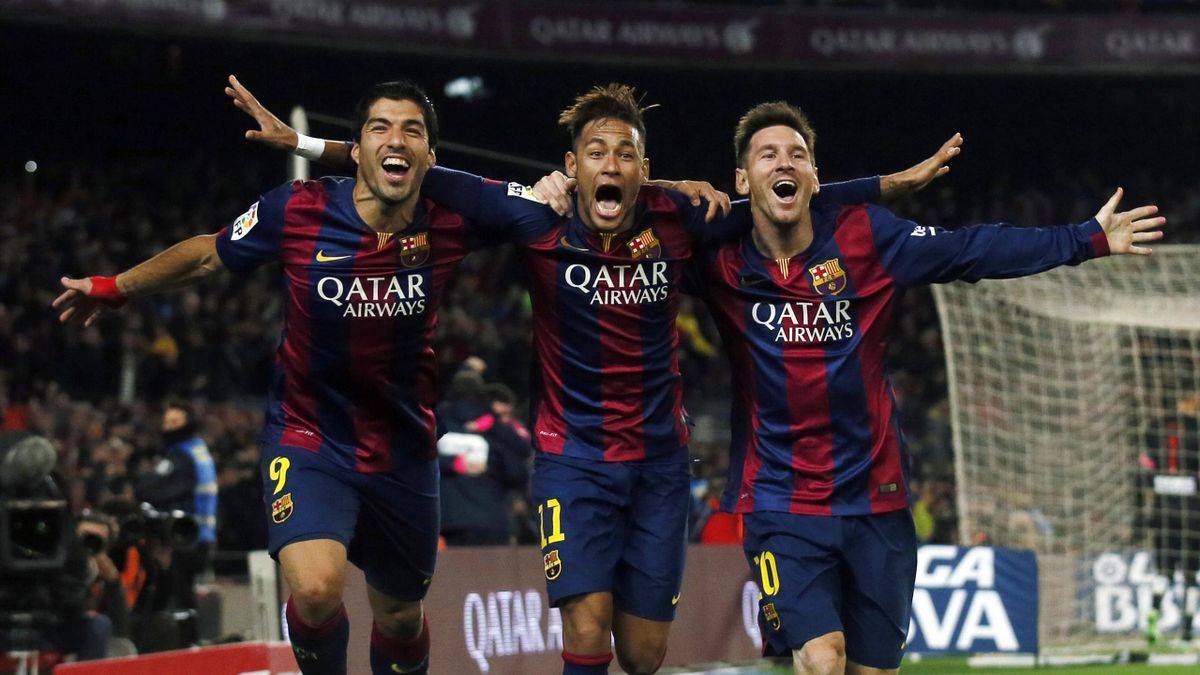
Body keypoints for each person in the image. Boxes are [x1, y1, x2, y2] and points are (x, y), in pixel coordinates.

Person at [234, 78, 952, 674]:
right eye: (596, 153)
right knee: (585, 627)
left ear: (644, 167)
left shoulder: (678, 219)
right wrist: (305, 145)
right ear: (572, 166)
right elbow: (413, 167)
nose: (611, 165)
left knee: (643, 653)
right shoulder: (536, 218)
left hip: (659, 464)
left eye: (626, 154)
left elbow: (779, 198)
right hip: (571, 458)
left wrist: (885, 186)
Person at [689, 101, 1164, 675]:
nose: (784, 163)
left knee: (872, 669)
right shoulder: (718, 259)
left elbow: (973, 249)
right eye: (768, 156)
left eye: (798, 155)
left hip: (876, 498)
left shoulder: (867, 236)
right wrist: (624, 191)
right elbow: (633, 220)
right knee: (821, 657)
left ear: (816, 176)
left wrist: (1085, 239)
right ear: (742, 180)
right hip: (779, 502)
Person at [54, 80, 476, 675]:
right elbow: (208, 252)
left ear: (431, 155)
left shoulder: (455, 215)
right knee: (316, 590)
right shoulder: (298, 209)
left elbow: (551, 210)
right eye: (379, 127)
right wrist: (117, 287)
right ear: (356, 146)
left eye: (412, 131)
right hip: (309, 437)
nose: (395, 140)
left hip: (403, 447)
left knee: (401, 616)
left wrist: (568, 189)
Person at [135, 400, 217, 606]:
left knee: (174, 595)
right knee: (184, 594)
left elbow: (151, 489)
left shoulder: (181, 456)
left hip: (184, 536)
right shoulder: (198, 450)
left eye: (174, 422)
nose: (168, 428)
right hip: (201, 535)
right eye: (166, 422)